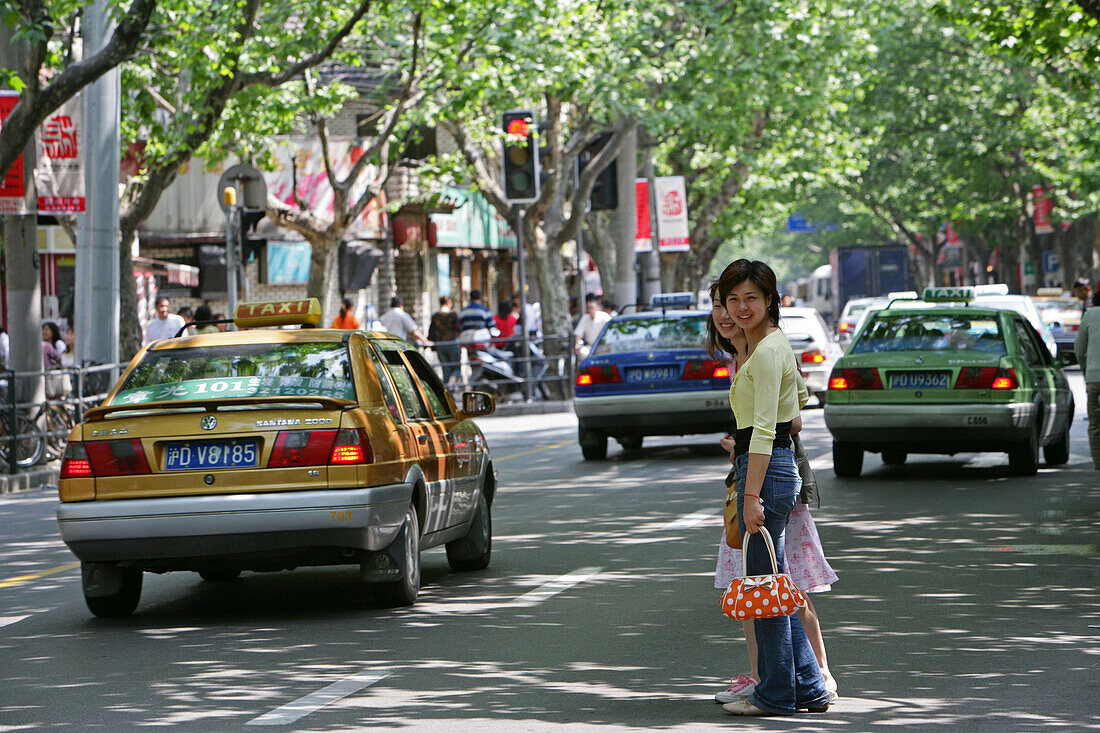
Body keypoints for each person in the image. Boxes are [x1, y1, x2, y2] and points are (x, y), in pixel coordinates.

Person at [705, 283, 838, 706]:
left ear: (769, 302)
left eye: (749, 300)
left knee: (766, 590)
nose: (737, 310)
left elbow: (769, 430)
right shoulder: (767, 346)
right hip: (769, 470)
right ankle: (811, 687)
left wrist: (750, 497)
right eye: (729, 302)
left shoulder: (765, 351)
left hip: (767, 474)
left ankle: (778, 693)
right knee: (772, 587)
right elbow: (792, 406)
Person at [1075, 290, 1100, 470]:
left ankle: (1098, 462)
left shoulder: (1090, 315)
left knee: (1094, 423)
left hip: (1094, 378)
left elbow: (1079, 348)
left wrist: (1086, 368)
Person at [429, 296, 462, 386]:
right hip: (452, 343)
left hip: (440, 345)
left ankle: (448, 391)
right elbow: (458, 329)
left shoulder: (435, 316)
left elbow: (431, 332)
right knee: (456, 369)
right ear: (448, 302)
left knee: (446, 369)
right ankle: (451, 386)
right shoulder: (453, 315)